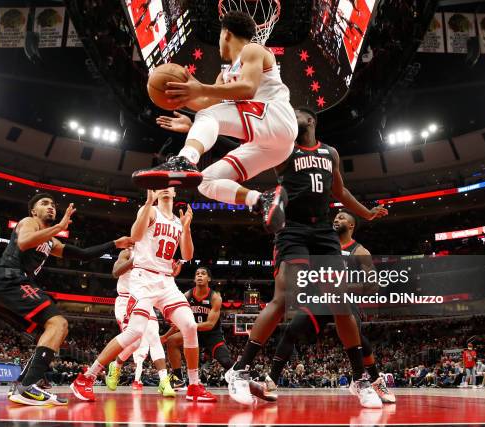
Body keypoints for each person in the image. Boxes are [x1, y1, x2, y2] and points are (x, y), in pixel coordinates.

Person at [222, 106, 388, 407]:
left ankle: (360, 379)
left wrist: (366, 214)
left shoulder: (330, 153)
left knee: (340, 304)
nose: (288, 116)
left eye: (295, 113)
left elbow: (341, 192)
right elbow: (244, 145)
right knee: (284, 298)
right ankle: (240, 369)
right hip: (292, 229)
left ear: (310, 119)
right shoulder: (282, 147)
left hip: (323, 231)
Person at [133, 11, 298, 234]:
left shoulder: (253, 50)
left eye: (219, 36)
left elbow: (248, 88)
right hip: (275, 146)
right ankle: (262, 200)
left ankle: (184, 160)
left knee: (208, 116)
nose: (219, 42)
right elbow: (206, 103)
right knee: (205, 182)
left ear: (226, 33)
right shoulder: (225, 76)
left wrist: (200, 90)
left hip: (277, 117)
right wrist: (183, 100)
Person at [0, 193, 133, 406]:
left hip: (6, 287)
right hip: (9, 279)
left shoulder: (50, 241)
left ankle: (23, 385)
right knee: (59, 322)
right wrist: (60, 225)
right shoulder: (28, 222)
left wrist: (114, 243)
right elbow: (25, 242)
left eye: (53, 205)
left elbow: (83, 255)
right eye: (44, 204)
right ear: (34, 211)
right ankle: (28, 387)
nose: (51, 207)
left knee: (49, 332)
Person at [71, 188, 216, 402]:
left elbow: (187, 255)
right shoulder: (150, 211)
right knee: (135, 332)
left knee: (190, 325)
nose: (166, 188)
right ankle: (87, 377)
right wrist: (148, 203)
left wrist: (186, 228)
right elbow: (136, 236)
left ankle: (194, 385)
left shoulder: (178, 220)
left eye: (169, 185)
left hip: (166, 280)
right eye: (161, 185)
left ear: (175, 192)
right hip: (143, 278)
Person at [260, 210, 396, 404]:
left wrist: (343, 286)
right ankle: (271, 380)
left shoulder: (359, 251)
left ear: (351, 225)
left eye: (341, 218)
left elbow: (373, 285)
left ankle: (374, 380)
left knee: (356, 338)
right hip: (320, 298)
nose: (336, 219)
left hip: (345, 299)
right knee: (292, 331)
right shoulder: (322, 246)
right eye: (335, 217)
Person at [104, 247, 178, 397]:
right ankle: (116, 365)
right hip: (126, 300)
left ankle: (164, 381)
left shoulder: (155, 255)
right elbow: (115, 272)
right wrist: (136, 260)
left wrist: (171, 274)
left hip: (144, 299)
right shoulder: (127, 251)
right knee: (135, 342)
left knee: (154, 337)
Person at [161, 266, 233, 389]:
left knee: (225, 361)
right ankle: (178, 378)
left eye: (203, 273)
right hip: (193, 333)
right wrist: (165, 336)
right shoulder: (187, 296)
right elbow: (179, 321)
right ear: (194, 279)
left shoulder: (215, 297)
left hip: (212, 334)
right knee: (172, 341)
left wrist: (189, 326)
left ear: (208, 278)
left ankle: (244, 378)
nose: (199, 275)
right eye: (197, 273)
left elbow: (210, 324)